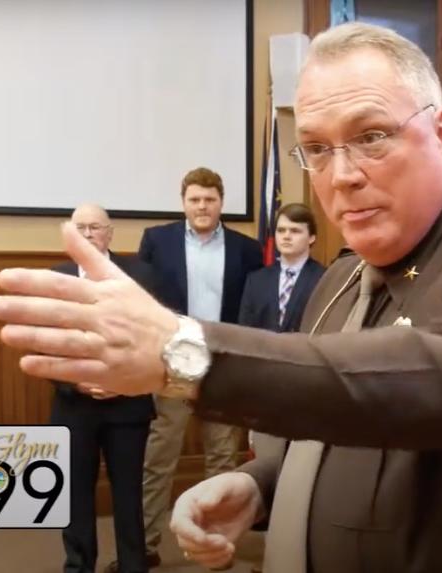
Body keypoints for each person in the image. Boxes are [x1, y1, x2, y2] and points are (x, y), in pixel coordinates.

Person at [0, 22, 442, 573]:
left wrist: (184, 350)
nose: (342, 174)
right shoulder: (339, 280)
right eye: (316, 148)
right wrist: (262, 484)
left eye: (372, 136)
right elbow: (336, 418)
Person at [129, 167, 264, 570]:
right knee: (159, 457)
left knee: (221, 458)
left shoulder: (247, 249)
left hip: (222, 365)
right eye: (194, 199)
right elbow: (145, 300)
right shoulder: (158, 241)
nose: (202, 207)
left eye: (209, 199)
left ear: (221, 202)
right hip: (171, 365)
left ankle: (214, 547)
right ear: (183, 202)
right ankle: (146, 544)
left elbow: (251, 306)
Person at [49, 204, 155, 573]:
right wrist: (76, 380)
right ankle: (78, 566)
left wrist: (123, 382)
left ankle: (133, 565)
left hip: (128, 406)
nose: (89, 234)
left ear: (110, 233)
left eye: (96, 227)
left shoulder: (140, 275)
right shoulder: (56, 278)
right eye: (81, 228)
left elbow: (153, 341)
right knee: (75, 495)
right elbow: (45, 344)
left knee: (128, 496)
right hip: (74, 407)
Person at [237, 202, 325, 333]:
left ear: (311, 238)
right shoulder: (256, 280)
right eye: (281, 230)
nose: (286, 236)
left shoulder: (324, 278)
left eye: (295, 231)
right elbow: (245, 330)